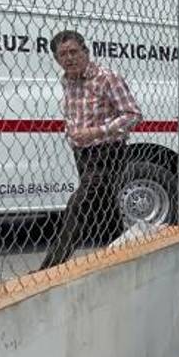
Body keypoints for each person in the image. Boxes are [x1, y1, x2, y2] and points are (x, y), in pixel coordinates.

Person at [39, 30, 142, 270]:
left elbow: (133, 115)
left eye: (74, 51)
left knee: (79, 204)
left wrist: (97, 131)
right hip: (82, 154)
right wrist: (72, 132)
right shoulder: (67, 80)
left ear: (86, 51)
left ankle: (50, 266)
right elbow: (74, 112)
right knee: (105, 208)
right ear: (56, 59)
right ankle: (121, 256)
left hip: (107, 151)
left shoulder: (106, 78)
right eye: (62, 54)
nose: (69, 58)